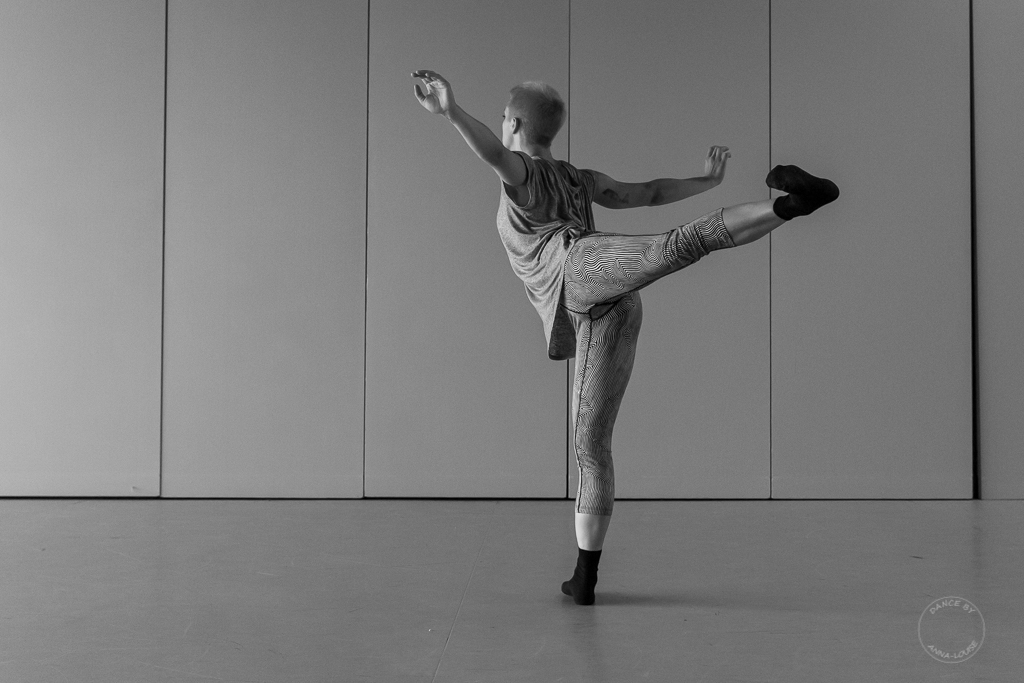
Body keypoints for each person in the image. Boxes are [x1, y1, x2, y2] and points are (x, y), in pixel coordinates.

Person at [411, 69, 838, 605]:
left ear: (514, 123)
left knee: (675, 247)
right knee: (589, 445)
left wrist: (450, 111)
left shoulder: (522, 171)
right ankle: (583, 579)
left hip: (584, 268)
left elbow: (494, 154)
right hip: (606, 310)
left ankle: (792, 204)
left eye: (503, 117)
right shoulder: (577, 178)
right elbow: (649, 192)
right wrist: (704, 181)